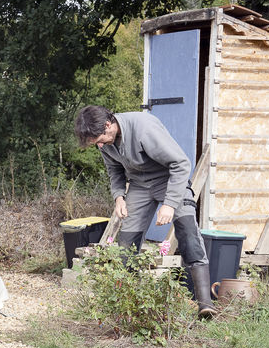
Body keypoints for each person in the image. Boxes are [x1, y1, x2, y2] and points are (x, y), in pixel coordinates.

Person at [74, 104, 217, 319]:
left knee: (188, 232)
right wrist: (119, 197)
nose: (99, 145)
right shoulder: (104, 142)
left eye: (99, 139)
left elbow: (180, 164)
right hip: (139, 185)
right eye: (96, 143)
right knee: (126, 243)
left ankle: (205, 304)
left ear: (108, 124)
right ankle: (127, 306)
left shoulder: (144, 128)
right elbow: (114, 169)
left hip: (169, 180)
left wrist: (169, 204)